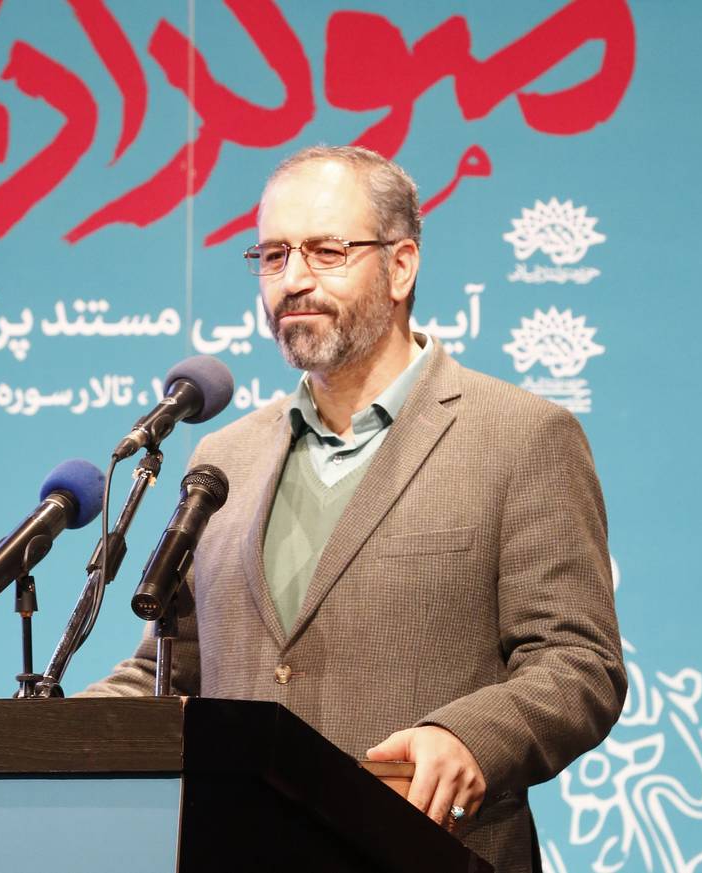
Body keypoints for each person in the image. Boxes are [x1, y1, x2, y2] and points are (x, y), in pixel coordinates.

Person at [82, 145, 625, 873]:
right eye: (273, 256)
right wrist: (53, 735)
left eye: (326, 251)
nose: (294, 279)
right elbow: (172, 671)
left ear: (401, 266)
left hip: (430, 854)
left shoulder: (520, 436)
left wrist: (469, 738)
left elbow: (578, 662)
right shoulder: (224, 457)